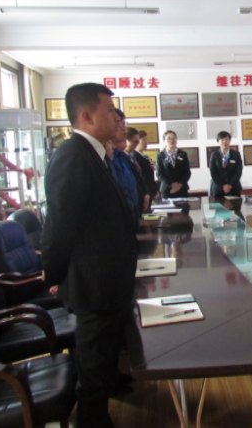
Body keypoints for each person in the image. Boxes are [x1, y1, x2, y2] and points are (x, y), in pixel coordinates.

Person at [41, 83, 139, 428]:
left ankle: (107, 399)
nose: (116, 117)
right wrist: (53, 275)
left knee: (104, 358)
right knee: (93, 369)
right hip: (94, 283)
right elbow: (59, 225)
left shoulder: (93, 153)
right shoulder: (73, 156)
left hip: (108, 279)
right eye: (109, 110)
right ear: (86, 116)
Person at [106, 109, 150, 227]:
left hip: (132, 215)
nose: (124, 129)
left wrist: (144, 194)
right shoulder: (105, 157)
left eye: (124, 124)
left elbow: (134, 183)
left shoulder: (123, 156)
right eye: (119, 124)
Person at [156, 131, 191, 199]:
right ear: (164, 141)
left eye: (174, 138)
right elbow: (159, 174)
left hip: (181, 189)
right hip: (166, 189)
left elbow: (187, 172)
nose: (172, 140)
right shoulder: (160, 155)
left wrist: (179, 184)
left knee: (184, 206)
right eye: (169, 138)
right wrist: (171, 184)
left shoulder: (183, 154)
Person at [127, 128, 160, 202]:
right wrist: (150, 192)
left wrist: (155, 190)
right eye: (143, 140)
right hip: (145, 193)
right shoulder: (135, 156)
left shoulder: (143, 156)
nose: (146, 142)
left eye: (146, 140)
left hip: (151, 192)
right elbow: (142, 177)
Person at [209, 131, 243, 197]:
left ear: (229, 141)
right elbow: (213, 172)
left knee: (235, 204)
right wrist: (222, 186)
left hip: (234, 188)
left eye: (227, 139)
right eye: (222, 140)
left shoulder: (236, 154)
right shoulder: (214, 155)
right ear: (218, 142)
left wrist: (230, 185)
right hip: (218, 189)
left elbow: (239, 172)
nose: (224, 142)